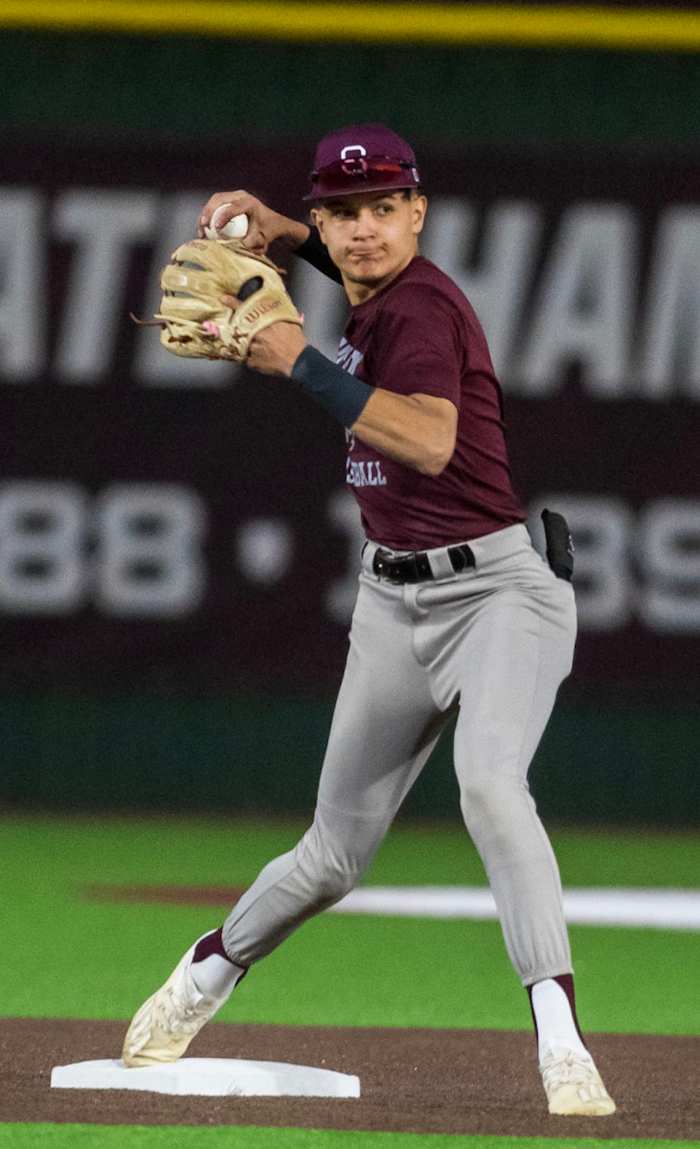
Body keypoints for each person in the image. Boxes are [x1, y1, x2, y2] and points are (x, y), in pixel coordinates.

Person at [122, 123, 615, 1117]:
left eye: (382, 208)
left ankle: (562, 1042)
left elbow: (429, 443)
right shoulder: (366, 283)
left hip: (499, 597)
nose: (362, 230)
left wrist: (294, 355)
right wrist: (278, 233)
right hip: (393, 601)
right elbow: (345, 272)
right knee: (332, 853)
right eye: (340, 213)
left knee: (487, 783)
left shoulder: (423, 308)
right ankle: (204, 975)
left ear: (417, 213)